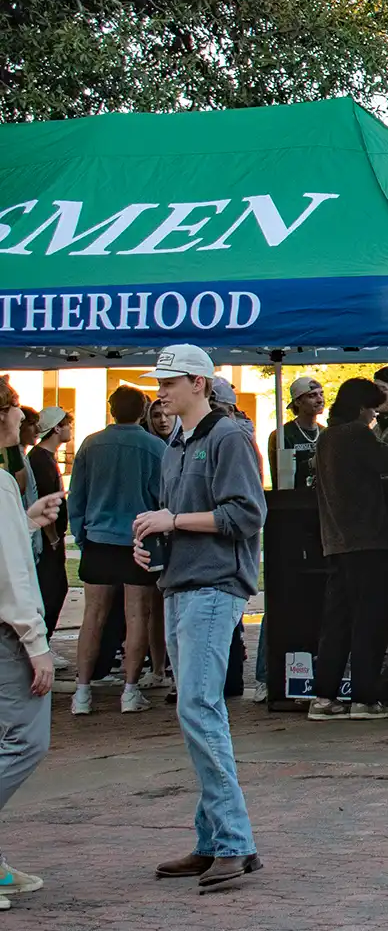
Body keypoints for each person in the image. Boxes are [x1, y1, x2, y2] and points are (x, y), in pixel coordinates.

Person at [133, 343, 265, 887]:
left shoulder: (227, 436)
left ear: (200, 385)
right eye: (160, 384)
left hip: (212, 587)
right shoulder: (177, 444)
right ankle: (215, 840)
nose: (160, 393)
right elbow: (185, 516)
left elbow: (247, 513)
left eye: (169, 383)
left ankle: (233, 840)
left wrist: (174, 522)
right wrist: (153, 543)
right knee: (199, 711)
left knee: (199, 708)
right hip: (182, 584)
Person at [307, 378, 388, 721]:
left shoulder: (326, 438)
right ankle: (365, 698)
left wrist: (386, 483)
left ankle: (324, 696)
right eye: (370, 409)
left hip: (336, 541)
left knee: (336, 618)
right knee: (370, 618)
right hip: (367, 539)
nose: (372, 416)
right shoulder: (356, 433)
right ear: (360, 407)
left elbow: (351, 479)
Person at [0, 378, 62, 906]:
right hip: (7, 634)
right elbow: (15, 576)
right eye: (17, 409)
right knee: (26, 741)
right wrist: (37, 644)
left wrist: (23, 520)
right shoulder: (0, 481)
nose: (23, 419)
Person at [67, 386, 165, 715]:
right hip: (138, 541)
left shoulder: (90, 444)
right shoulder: (155, 447)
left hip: (98, 539)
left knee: (92, 616)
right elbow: (162, 497)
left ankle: (82, 692)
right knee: (138, 616)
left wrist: (82, 535)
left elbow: (76, 496)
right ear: (142, 410)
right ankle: (130, 689)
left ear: (111, 409)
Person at [26, 407, 71, 642]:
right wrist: (52, 536)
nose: (70, 429)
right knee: (52, 591)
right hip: (46, 540)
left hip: (52, 537)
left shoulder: (45, 458)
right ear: (56, 428)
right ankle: (41, 642)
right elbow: (45, 501)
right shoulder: (41, 460)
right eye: (67, 424)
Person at [267, 376, 324, 490]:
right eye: (312, 395)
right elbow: (281, 479)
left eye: (321, 394)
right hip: (293, 502)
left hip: (322, 502)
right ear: (297, 401)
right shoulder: (282, 435)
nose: (320, 399)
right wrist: (310, 464)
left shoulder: (325, 433)